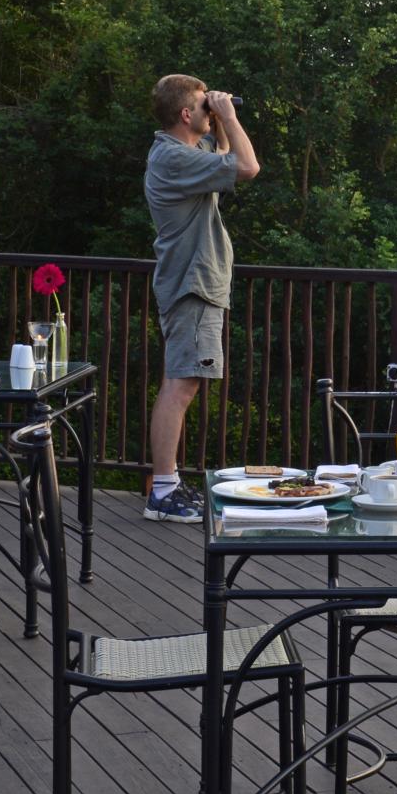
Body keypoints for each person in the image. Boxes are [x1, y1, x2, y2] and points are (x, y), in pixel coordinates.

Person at [142, 74, 260, 522]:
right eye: (203, 105)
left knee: (182, 382)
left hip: (194, 280)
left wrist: (221, 121)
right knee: (181, 385)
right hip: (191, 282)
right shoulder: (173, 157)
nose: (210, 110)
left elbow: (225, 156)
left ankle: (167, 485)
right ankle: (163, 491)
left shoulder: (184, 153)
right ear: (186, 113)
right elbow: (246, 167)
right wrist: (228, 113)